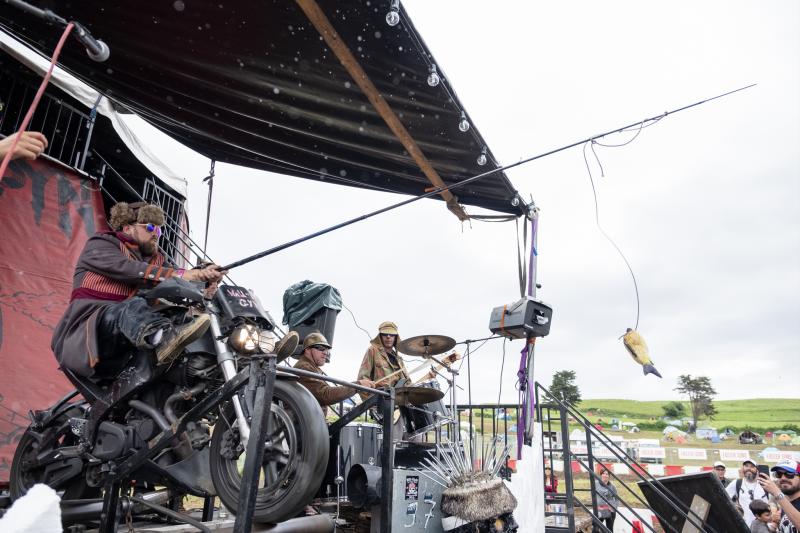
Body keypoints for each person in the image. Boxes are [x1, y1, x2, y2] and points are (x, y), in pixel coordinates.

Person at [51, 201, 226, 378]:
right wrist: (191, 275)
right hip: (90, 332)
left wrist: (206, 280)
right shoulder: (102, 243)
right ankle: (163, 338)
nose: (156, 234)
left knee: (181, 315)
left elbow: (178, 280)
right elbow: (131, 270)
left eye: (159, 230)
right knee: (131, 306)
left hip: (130, 340)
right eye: (150, 227)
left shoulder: (158, 260)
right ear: (127, 228)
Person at [293, 331, 374, 417]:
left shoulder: (311, 367)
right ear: (307, 350)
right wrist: (358, 385)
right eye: (320, 348)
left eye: (327, 349)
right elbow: (326, 395)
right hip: (303, 425)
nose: (325, 353)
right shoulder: (304, 368)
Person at [357, 321, 409, 388]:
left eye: (392, 334)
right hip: (380, 395)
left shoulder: (398, 359)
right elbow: (362, 379)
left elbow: (408, 382)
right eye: (385, 334)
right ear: (380, 336)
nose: (388, 337)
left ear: (396, 337)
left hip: (399, 396)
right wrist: (372, 397)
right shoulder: (372, 350)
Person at [759, 460, 800, 533]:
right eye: (779, 474)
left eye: (789, 474)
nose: (783, 478)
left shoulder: (781, 499)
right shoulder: (785, 504)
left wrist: (777, 493)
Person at [727, 458, 769, 527]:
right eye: (746, 466)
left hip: (763, 528)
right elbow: (722, 497)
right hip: (743, 527)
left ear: (757, 470)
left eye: (752, 466)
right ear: (743, 468)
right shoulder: (737, 483)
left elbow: (774, 503)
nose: (749, 468)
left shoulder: (764, 484)